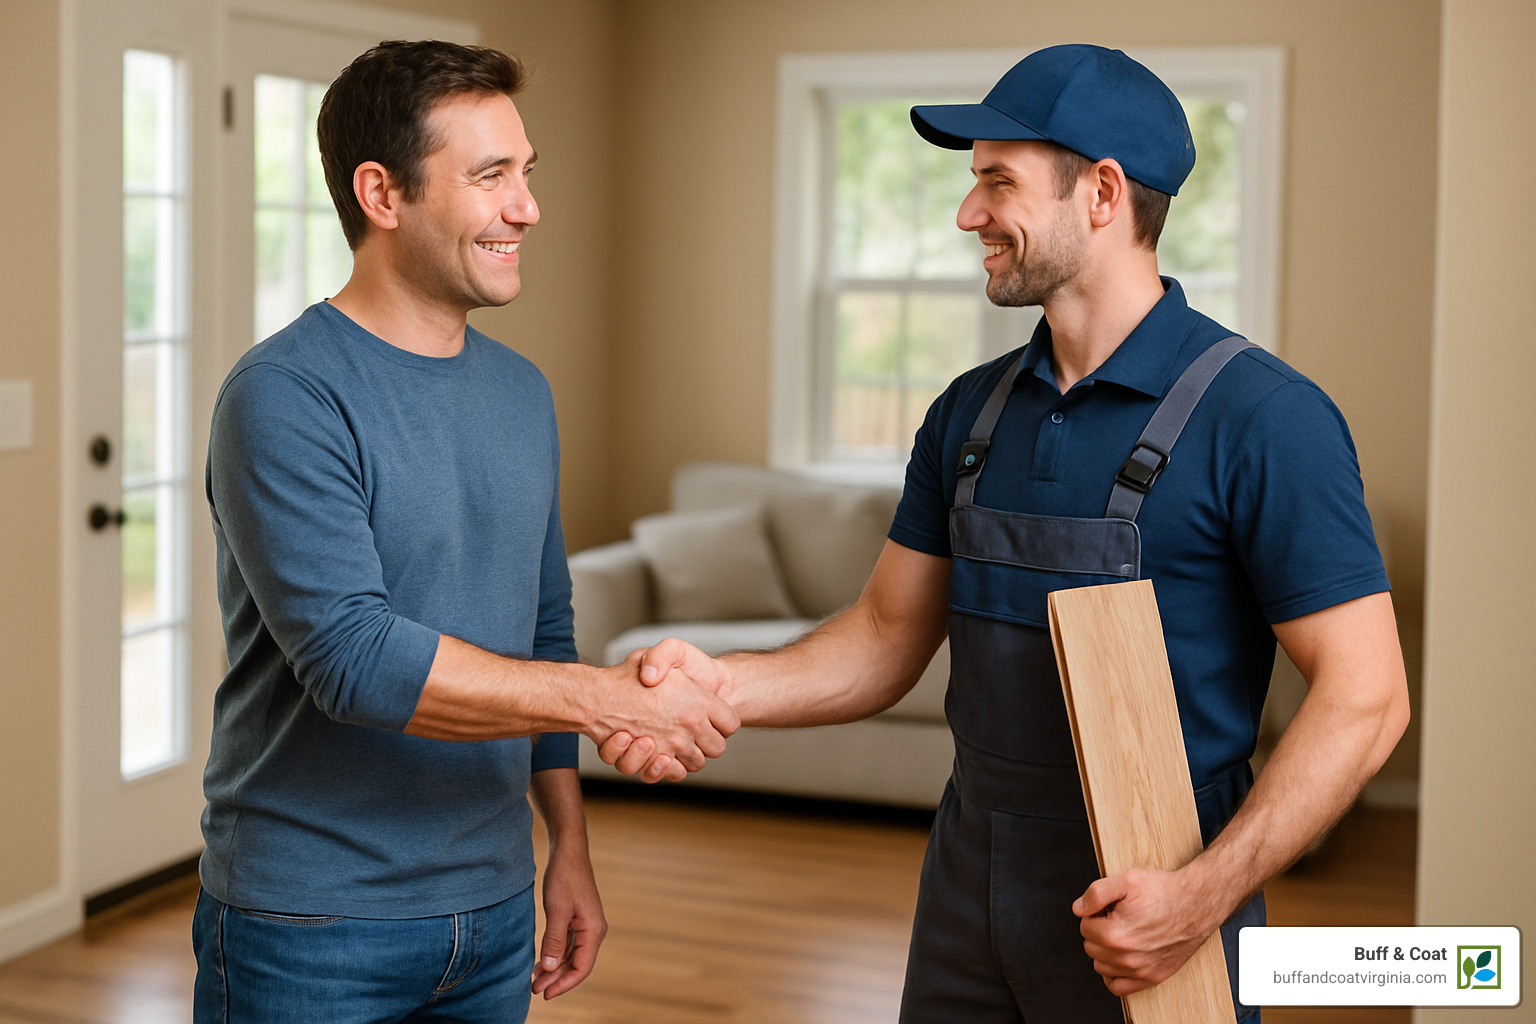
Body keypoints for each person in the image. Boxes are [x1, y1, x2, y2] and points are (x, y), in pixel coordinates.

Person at [604, 43, 1409, 1023]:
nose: (967, 213)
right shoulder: (968, 415)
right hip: (965, 888)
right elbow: (883, 637)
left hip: (1151, 907)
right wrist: (715, 686)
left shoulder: (1267, 418)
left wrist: (1200, 897)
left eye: (998, 181)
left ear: (1103, 192)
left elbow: (1366, 699)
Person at [194, 39, 737, 1024]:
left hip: (489, 916)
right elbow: (355, 661)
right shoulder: (284, 396)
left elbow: (545, 627)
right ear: (382, 192)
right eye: (490, 178)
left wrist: (566, 845)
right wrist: (615, 700)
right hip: (312, 926)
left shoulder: (522, 393)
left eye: (526, 174)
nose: (526, 208)